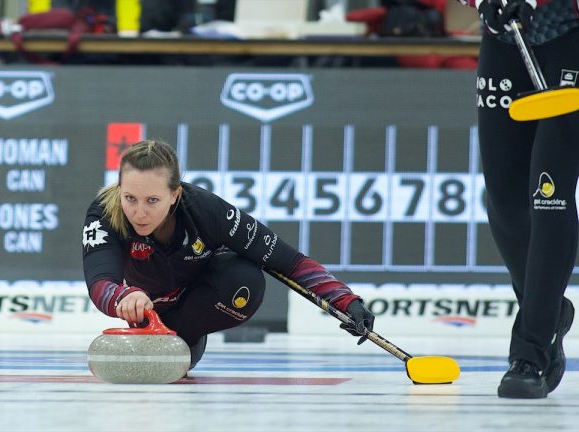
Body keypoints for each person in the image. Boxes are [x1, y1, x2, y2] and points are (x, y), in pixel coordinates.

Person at [82, 139, 375, 369]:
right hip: (146, 307)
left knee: (245, 278)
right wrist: (124, 297)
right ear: (120, 189)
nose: (139, 212)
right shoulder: (104, 212)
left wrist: (346, 300)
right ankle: (161, 333)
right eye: (130, 198)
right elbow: (99, 284)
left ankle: (185, 338)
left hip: (199, 300)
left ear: (175, 195)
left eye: (152, 200)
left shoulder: (209, 211)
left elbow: (289, 262)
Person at [464, 0, 578, 398]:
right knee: (504, 198)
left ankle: (530, 351)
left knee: (549, 192)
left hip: (569, 34)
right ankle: (547, 310)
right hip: (504, 37)